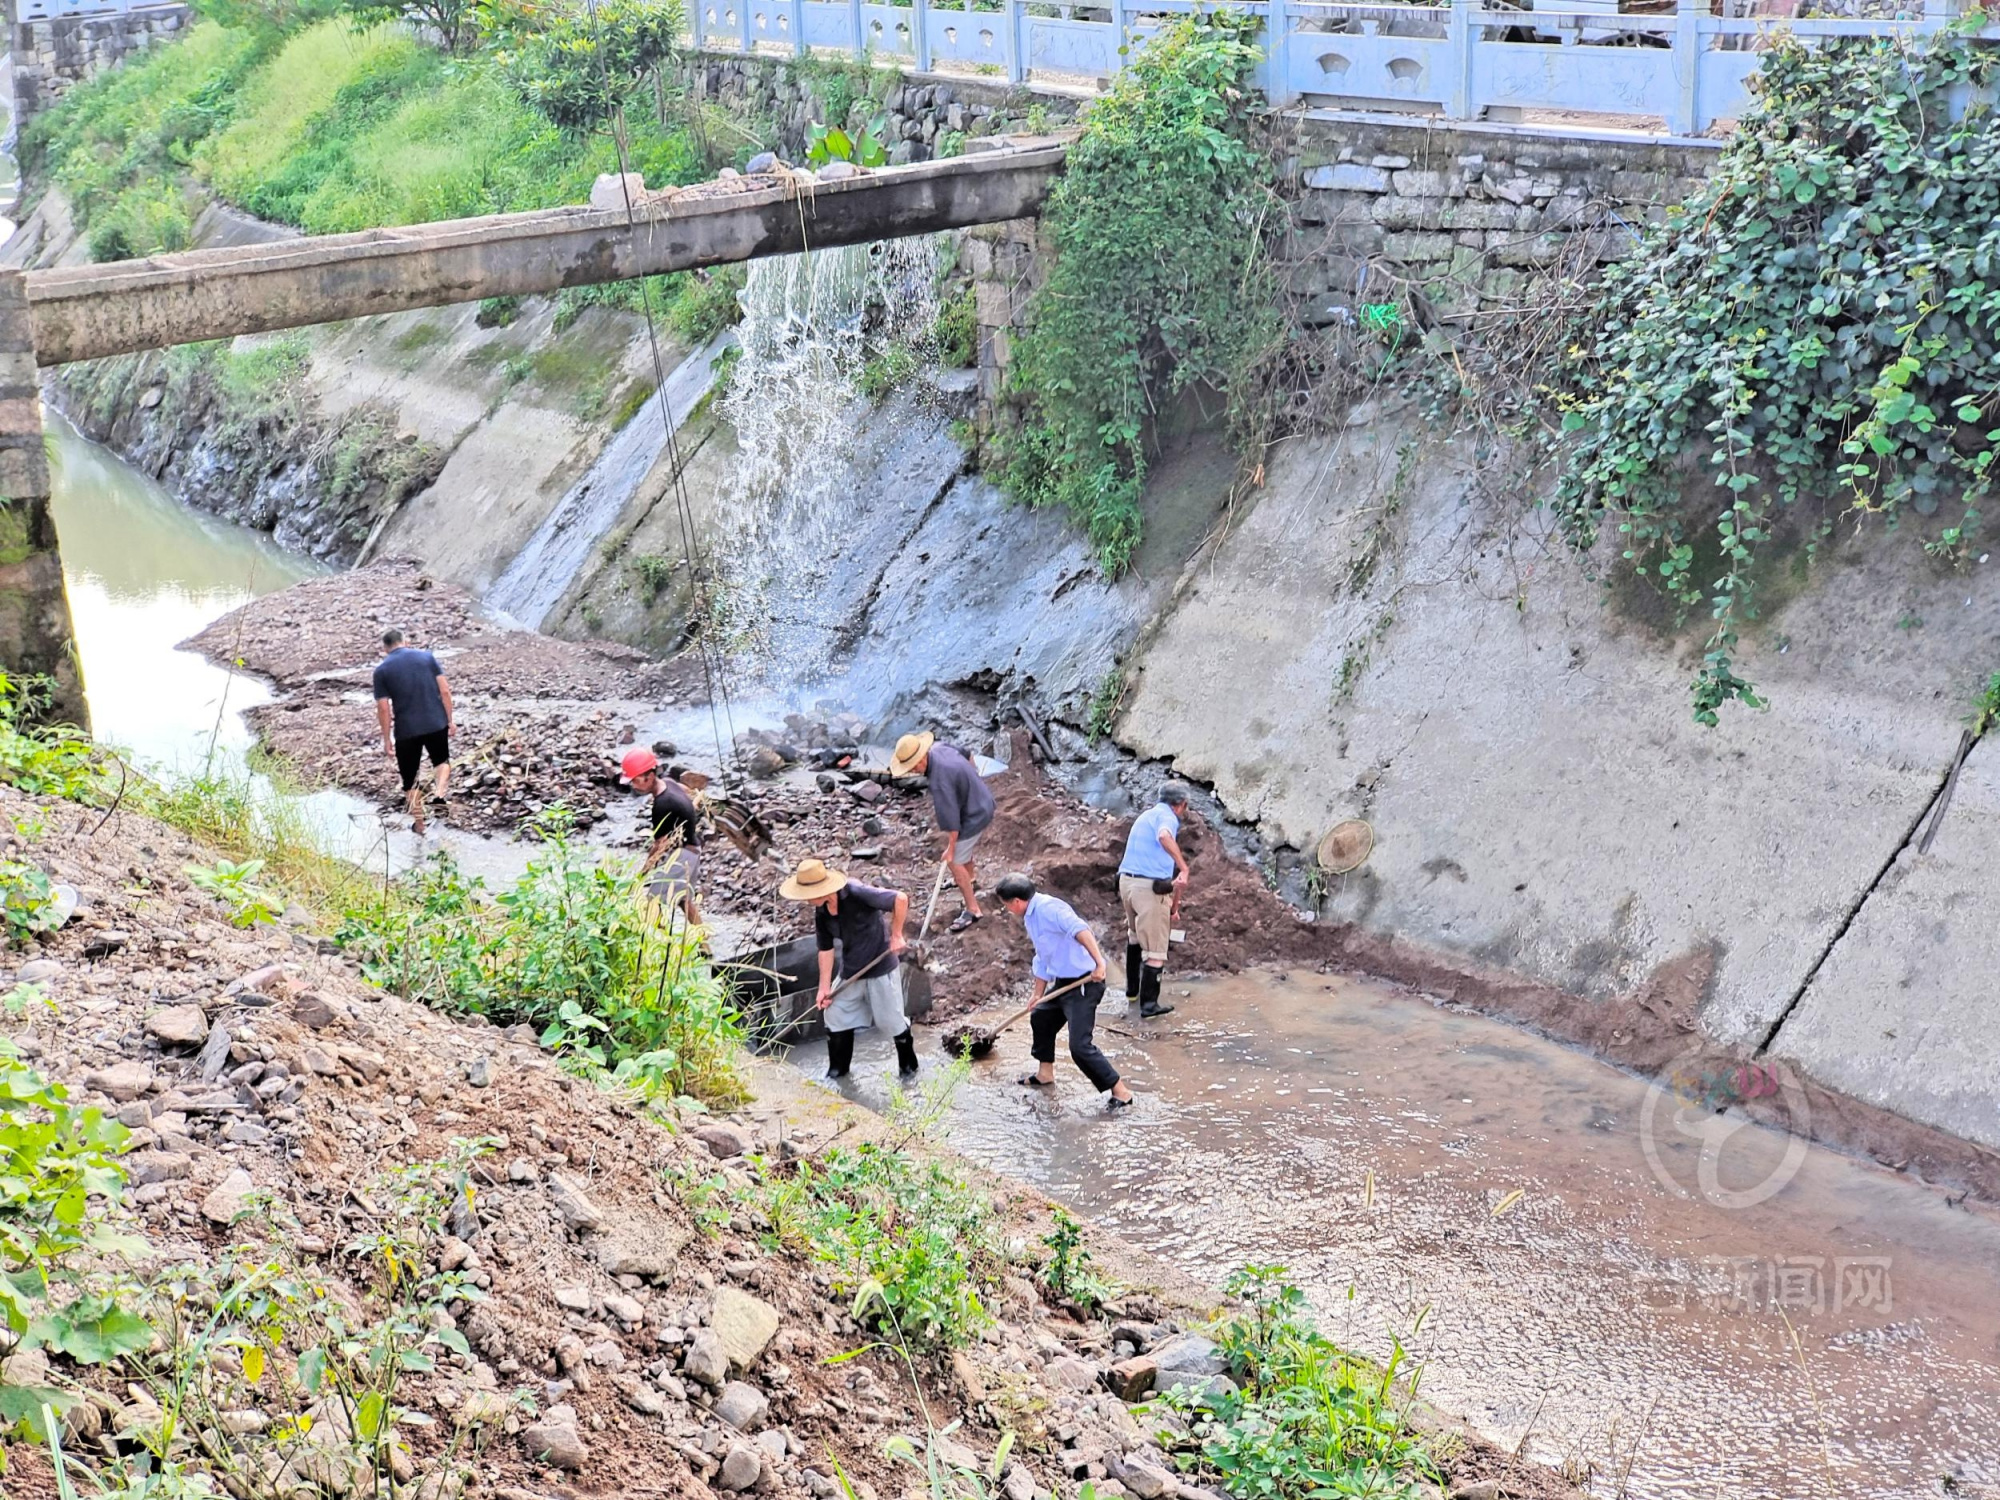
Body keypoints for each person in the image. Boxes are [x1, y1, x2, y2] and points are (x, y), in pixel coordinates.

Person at [997, 873, 1133, 1109]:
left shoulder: (1050, 909)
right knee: (1041, 1016)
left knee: (1080, 1047)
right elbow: (1043, 956)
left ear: (1016, 902)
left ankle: (1121, 1092)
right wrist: (1037, 994)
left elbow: (1082, 930)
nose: (1007, 909)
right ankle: (1045, 1074)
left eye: (1006, 905)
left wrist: (1100, 964)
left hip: (1084, 984)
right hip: (1063, 982)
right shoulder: (1031, 916)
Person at [781, 857, 917, 1080]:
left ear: (821, 888)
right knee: (834, 1015)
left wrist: (896, 935)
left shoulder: (855, 892)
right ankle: (838, 1072)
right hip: (851, 971)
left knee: (890, 1022)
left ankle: (909, 1069)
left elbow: (899, 899)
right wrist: (823, 988)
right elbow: (824, 949)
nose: (805, 900)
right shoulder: (822, 911)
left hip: (879, 967)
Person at [887, 731, 994, 933]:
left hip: (976, 813)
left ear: (919, 761)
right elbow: (967, 753)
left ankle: (973, 910)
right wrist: (973, 778)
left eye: (911, 768)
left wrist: (950, 849)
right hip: (981, 799)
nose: (912, 771)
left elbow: (952, 823)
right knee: (964, 848)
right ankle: (971, 880)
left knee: (955, 861)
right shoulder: (940, 747)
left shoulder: (939, 780)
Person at [1118, 782, 1190, 1019]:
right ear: (1181, 805)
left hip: (1127, 883)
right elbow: (1164, 836)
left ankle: (1132, 992)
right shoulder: (1168, 818)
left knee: (1135, 936)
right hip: (1149, 889)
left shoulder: (1146, 815)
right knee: (1156, 951)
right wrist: (1183, 866)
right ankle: (1149, 1006)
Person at [372, 628, 453, 836]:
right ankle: (439, 794)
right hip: (435, 722)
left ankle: (420, 824)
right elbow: (444, 690)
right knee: (442, 761)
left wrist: (386, 739)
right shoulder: (427, 658)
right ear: (404, 641)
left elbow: (383, 708)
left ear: (385, 648)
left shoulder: (381, 671)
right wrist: (450, 720)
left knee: (410, 780)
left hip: (406, 731)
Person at [621, 747, 703, 928]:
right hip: (693, 849)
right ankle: (704, 946)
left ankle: (666, 944)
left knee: (652, 902)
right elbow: (687, 791)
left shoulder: (662, 805)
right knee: (683, 899)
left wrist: (642, 874)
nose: (633, 785)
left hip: (684, 855)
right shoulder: (668, 783)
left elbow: (660, 845)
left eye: (635, 780)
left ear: (649, 777)